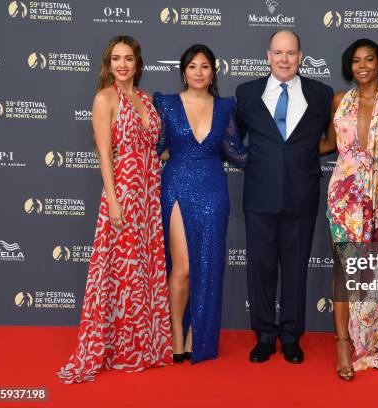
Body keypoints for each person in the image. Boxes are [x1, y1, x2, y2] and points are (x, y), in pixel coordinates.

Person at [57, 36, 172, 384]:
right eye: (116, 59)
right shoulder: (104, 98)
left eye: (129, 59)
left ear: (138, 64)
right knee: (121, 272)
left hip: (150, 192)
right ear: (109, 64)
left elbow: (155, 147)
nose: (122, 65)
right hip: (123, 190)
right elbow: (105, 155)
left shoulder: (148, 100)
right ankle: (119, 348)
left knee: (144, 266)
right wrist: (114, 201)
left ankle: (144, 345)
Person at [236, 30, 333, 364]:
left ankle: (291, 336)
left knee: (295, 270)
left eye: (290, 53)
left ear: (300, 56)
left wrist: (303, 156)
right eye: (278, 53)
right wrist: (259, 163)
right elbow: (233, 141)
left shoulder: (321, 94)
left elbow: (333, 139)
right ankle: (264, 335)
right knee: (260, 269)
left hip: (301, 195)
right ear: (268, 56)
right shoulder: (246, 93)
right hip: (259, 196)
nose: (284, 59)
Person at [320, 39, 378, 381]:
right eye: (356, 60)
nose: (362, 66)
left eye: (368, 59)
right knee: (344, 270)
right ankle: (343, 344)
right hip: (343, 196)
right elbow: (329, 144)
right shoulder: (339, 101)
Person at [153, 44, 246, 364]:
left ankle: (197, 336)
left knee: (208, 267)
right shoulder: (166, 103)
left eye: (205, 66)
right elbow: (157, 147)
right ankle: (174, 333)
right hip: (177, 185)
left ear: (213, 72)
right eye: (192, 66)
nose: (198, 72)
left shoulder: (224, 108)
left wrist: (280, 155)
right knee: (184, 268)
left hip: (213, 191)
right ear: (183, 71)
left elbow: (235, 152)